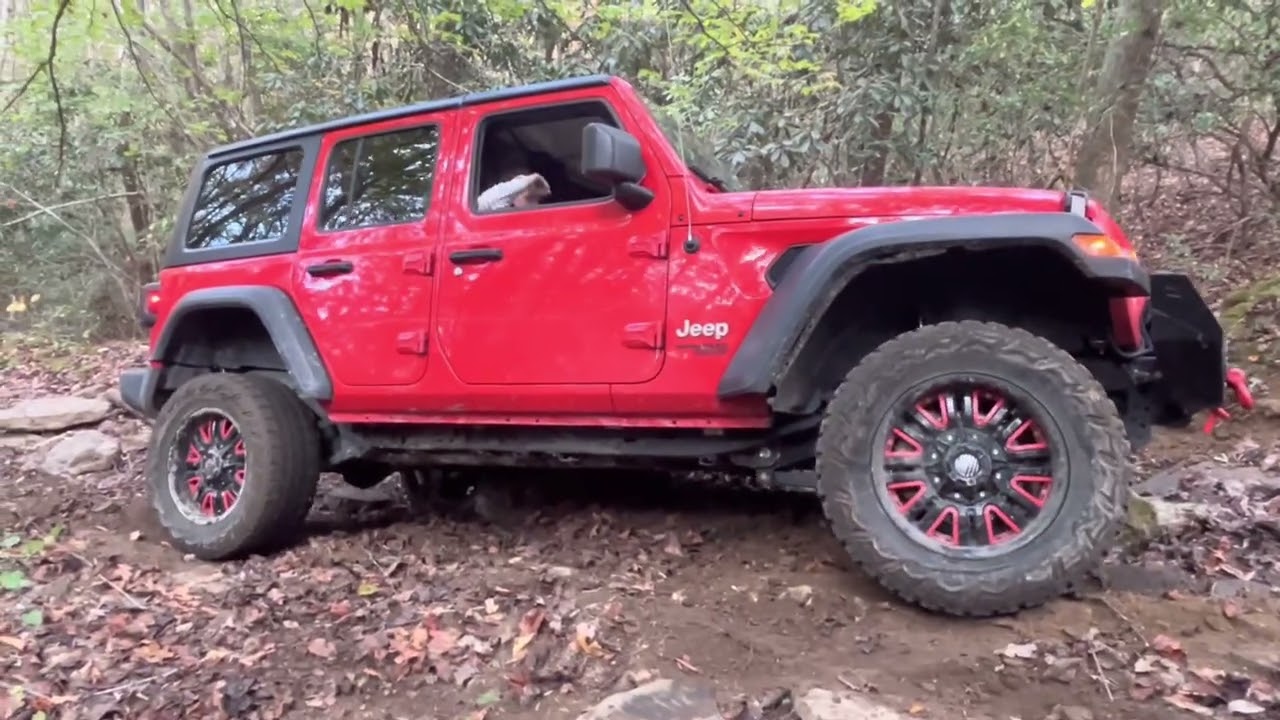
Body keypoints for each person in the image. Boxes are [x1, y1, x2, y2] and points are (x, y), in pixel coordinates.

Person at [476, 166, 551, 212]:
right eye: (530, 198)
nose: (536, 205)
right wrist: (531, 178)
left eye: (537, 199)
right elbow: (484, 204)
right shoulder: (498, 214)